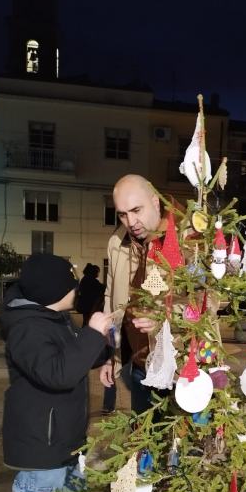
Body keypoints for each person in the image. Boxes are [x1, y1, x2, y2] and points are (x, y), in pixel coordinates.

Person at [0, 254, 134, 492]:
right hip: (39, 445)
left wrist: (103, 354)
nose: (75, 290)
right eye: (70, 284)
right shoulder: (27, 328)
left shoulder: (46, 318)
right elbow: (57, 373)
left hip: (60, 438)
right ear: (53, 291)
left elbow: (72, 356)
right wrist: (91, 333)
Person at [100, 174, 166, 414]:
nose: (131, 221)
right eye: (122, 214)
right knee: (145, 443)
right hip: (140, 366)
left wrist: (164, 320)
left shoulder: (187, 239)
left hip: (181, 368)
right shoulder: (117, 242)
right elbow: (111, 302)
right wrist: (110, 357)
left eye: (137, 210)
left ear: (155, 202)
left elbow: (205, 300)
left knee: (181, 444)